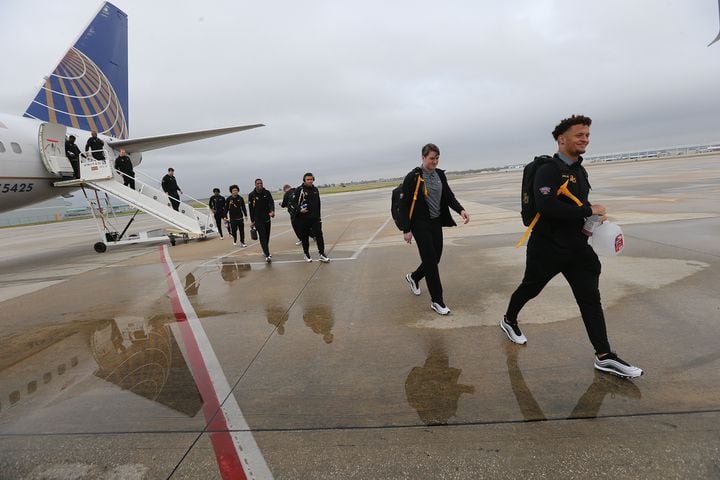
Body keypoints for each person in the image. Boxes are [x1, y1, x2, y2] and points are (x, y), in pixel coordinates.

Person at [501, 114, 643, 378]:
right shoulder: (548, 170)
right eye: (580, 135)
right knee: (530, 288)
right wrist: (589, 208)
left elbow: (575, 207)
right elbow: (547, 206)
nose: (585, 139)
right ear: (561, 139)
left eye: (587, 135)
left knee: (590, 299)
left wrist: (593, 217)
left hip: (578, 248)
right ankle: (509, 319)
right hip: (547, 247)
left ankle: (604, 356)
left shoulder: (580, 170)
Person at [399, 143, 469, 315]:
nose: (435, 161)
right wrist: (406, 229)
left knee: (436, 258)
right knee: (431, 262)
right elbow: (403, 205)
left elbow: (448, 196)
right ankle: (437, 301)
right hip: (419, 224)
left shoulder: (439, 175)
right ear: (423, 158)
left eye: (437, 158)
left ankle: (414, 277)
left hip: (436, 222)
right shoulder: (413, 177)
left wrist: (461, 210)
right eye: (432, 158)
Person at [294, 173, 330, 263]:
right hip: (303, 219)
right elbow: (292, 203)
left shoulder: (315, 189)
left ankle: (322, 254)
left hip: (315, 218)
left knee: (319, 236)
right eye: (308, 179)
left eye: (311, 179)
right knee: (305, 238)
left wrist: (319, 216)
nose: (310, 181)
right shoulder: (299, 190)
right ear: (304, 180)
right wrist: (299, 210)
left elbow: (318, 204)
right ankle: (306, 254)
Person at [248, 178, 275, 262]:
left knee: (267, 236)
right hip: (258, 219)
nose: (259, 184)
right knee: (262, 236)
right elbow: (251, 209)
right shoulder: (251, 195)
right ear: (255, 184)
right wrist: (252, 221)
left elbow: (271, 203)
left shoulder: (267, 193)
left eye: (261, 183)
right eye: (258, 183)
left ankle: (265, 250)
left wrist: (272, 211)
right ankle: (267, 255)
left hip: (267, 218)